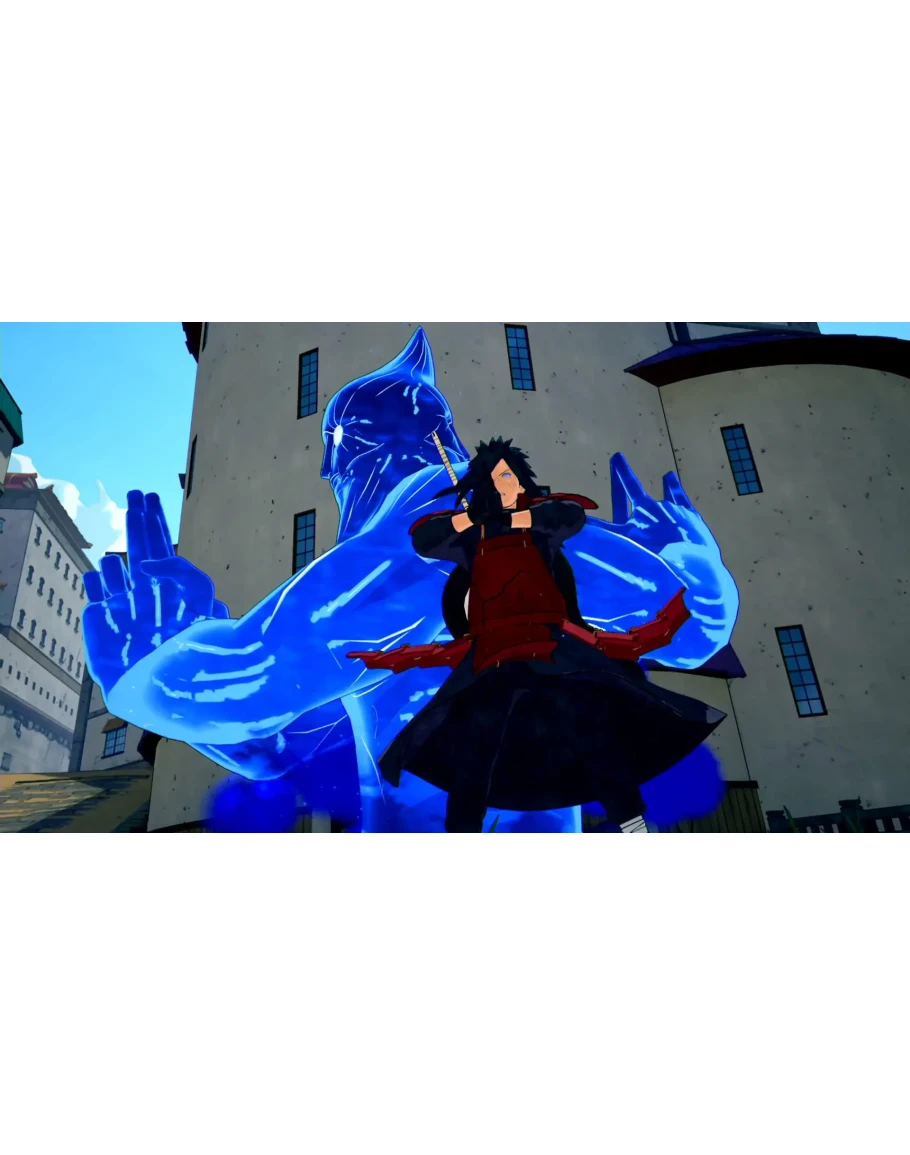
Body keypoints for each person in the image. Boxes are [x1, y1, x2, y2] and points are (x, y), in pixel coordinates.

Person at [351, 438, 726, 833]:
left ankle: (632, 824)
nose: (505, 485)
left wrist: (513, 520)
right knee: (476, 753)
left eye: (509, 476)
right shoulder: (472, 537)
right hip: (493, 658)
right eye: (496, 479)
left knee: (592, 736)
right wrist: (473, 519)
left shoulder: (541, 525)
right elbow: (425, 538)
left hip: (551, 651)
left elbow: (569, 514)